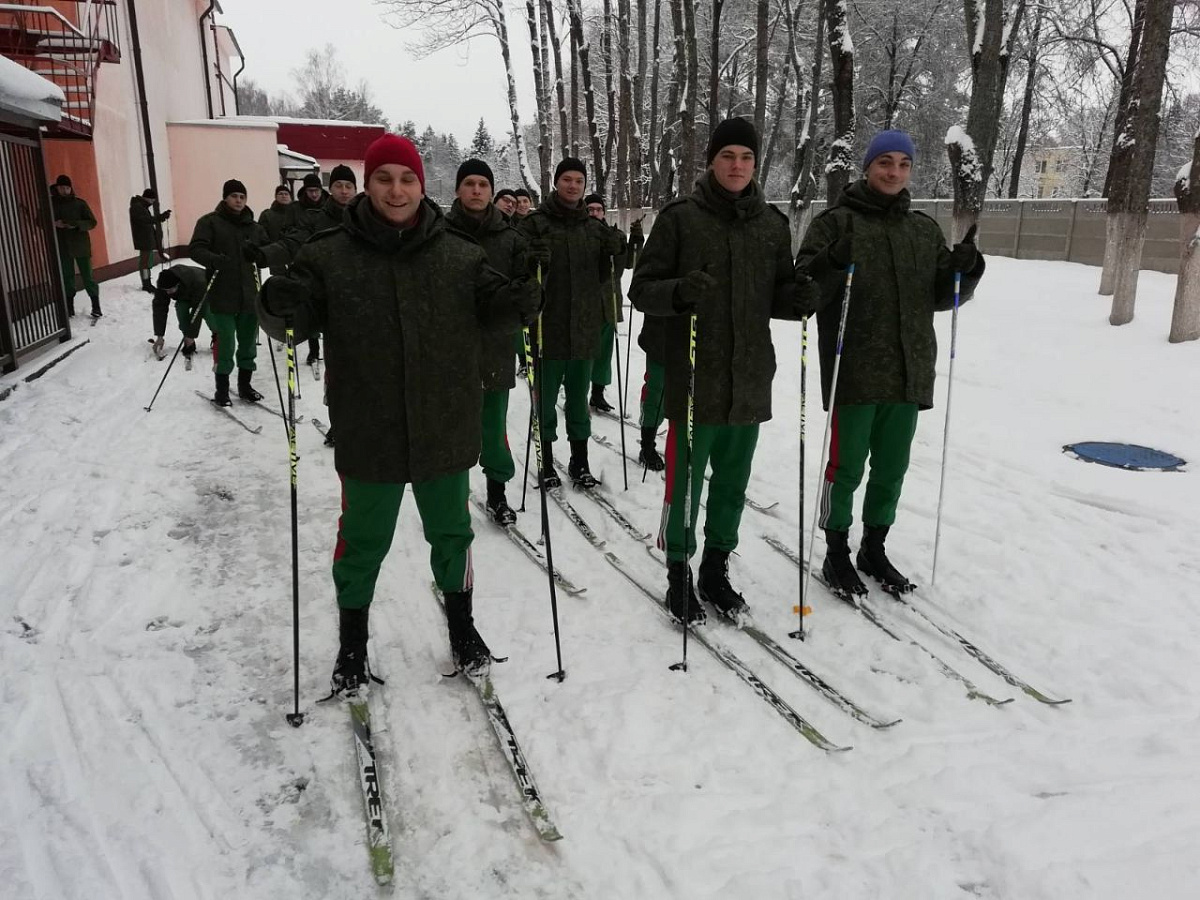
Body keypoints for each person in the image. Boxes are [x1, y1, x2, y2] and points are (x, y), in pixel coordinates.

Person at [257, 134, 541, 692]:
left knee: (452, 534)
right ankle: (352, 642)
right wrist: (276, 305)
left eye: (407, 178)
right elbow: (295, 323)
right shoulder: (328, 253)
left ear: (422, 184)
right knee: (362, 541)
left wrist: (521, 301)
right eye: (384, 178)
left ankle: (463, 627)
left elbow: (494, 306)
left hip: (443, 423)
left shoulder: (460, 253)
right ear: (368, 184)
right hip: (369, 427)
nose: (396, 190)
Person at [629, 117, 817, 625]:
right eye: (728, 156)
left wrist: (799, 298)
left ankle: (715, 567)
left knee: (733, 483)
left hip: (749, 377)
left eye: (747, 157)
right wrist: (679, 291)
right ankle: (678, 570)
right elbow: (641, 289)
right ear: (711, 161)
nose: (737, 166)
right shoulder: (680, 219)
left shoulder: (772, 225)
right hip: (695, 375)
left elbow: (777, 295)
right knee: (685, 484)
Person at [794, 129, 985, 597]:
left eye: (903, 164)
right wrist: (832, 260)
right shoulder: (835, 223)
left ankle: (873, 547)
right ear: (868, 167)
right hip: (854, 370)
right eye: (885, 162)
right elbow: (803, 289)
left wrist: (966, 269)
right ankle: (836, 550)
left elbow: (942, 296)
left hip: (908, 370)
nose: (894, 172)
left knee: (891, 470)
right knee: (846, 468)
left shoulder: (922, 229)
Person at [446, 158, 546, 526]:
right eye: (469, 183)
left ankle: (497, 491)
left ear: (490, 191)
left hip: (494, 346)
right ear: (458, 189)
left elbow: (528, 297)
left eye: (483, 185)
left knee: (492, 425)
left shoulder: (511, 238)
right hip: (447, 347)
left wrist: (536, 282)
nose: (476, 190)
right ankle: (449, 497)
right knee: (450, 428)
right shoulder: (438, 234)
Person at [516, 158, 625, 489]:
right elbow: (516, 270)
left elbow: (608, 276)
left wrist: (617, 251)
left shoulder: (594, 228)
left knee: (578, 401)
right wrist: (531, 260)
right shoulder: (535, 224)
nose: (573, 185)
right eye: (567, 179)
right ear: (556, 182)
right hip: (547, 329)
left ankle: (580, 460)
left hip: (583, 329)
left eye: (579, 180)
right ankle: (546, 459)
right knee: (546, 400)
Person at [188, 179, 271, 407]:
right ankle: (222, 390)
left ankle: (245, 386)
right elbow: (195, 249)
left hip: (250, 293)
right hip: (222, 292)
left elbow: (267, 251)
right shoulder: (209, 222)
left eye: (242, 197)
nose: (238, 200)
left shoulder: (255, 228)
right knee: (226, 343)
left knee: (248, 343)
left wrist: (259, 255)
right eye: (234, 196)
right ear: (225, 198)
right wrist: (214, 260)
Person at [582, 193, 633, 414]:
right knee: (584, 352)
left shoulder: (615, 235)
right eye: (590, 209)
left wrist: (632, 243)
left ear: (604, 212)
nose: (594, 213)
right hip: (584, 304)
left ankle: (597, 393)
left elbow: (626, 266)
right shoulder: (578, 235)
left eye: (598, 209)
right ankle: (577, 393)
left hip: (608, 301)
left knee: (604, 352)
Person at [50, 174, 100, 318]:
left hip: (81, 245)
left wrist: (76, 225)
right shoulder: (50, 204)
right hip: (62, 246)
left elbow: (92, 222)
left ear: (70, 188)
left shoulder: (80, 204)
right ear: (57, 188)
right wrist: (54, 223)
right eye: (62, 188)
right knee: (67, 277)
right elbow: (40, 219)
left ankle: (96, 306)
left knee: (88, 277)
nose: (65, 190)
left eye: (67, 188)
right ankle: (69, 307)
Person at [151, 264, 209, 361]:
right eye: (165, 291)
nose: (168, 293)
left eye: (170, 290)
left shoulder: (199, 281)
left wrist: (191, 334)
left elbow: (198, 310)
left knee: (209, 314)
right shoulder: (164, 284)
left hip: (206, 292)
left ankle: (218, 338)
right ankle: (188, 340)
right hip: (185, 294)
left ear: (178, 284)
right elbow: (159, 308)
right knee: (181, 308)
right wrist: (159, 336)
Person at [129, 188, 171, 293]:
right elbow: (145, 220)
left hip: (146, 238)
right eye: (152, 200)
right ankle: (146, 284)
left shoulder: (141, 206)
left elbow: (148, 220)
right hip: (143, 239)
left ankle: (147, 282)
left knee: (147, 262)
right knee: (145, 263)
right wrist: (159, 217)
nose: (153, 202)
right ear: (147, 198)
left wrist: (160, 217)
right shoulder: (137, 207)